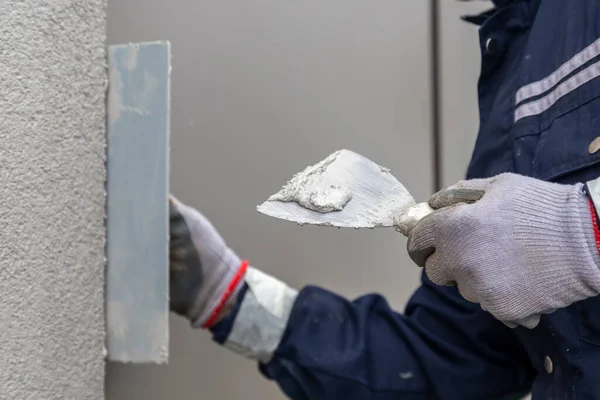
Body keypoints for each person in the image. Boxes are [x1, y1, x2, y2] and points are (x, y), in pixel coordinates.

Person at [169, 1, 600, 398]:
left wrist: (584, 232)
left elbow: (571, 236)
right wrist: (225, 293)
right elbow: (454, 361)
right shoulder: (524, 40)